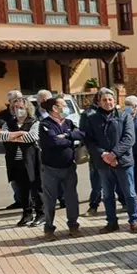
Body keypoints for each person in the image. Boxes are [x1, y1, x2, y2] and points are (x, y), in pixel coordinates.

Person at [82, 88, 137, 234]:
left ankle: (134, 221)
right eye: (104, 100)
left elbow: (129, 139)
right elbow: (90, 141)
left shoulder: (124, 116)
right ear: (99, 102)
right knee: (107, 195)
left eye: (110, 99)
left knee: (130, 193)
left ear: (115, 101)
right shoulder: (92, 119)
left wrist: (114, 155)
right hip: (103, 164)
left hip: (123, 162)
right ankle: (112, 222)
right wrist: (104, 155)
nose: (108, 102)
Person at [38, 95, 84, 240]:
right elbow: (53, 142)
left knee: (71, 198)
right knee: (50, 200)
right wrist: (70, 141)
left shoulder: (69, 122)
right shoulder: (45, 124)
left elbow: (81, 134)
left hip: (69, 167)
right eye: (64, 106)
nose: (66, 108)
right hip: (50, 169)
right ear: (54, 108)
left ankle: (73, 226)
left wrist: (67, 135)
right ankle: (49, 229)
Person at [0, 96, 45, 227]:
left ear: (27, 108)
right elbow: (2, 136)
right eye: (15, 107)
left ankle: (41, 214)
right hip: (15, 161)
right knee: (22, 190)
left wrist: (12, 137)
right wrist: (21, 133)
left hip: (32, 161)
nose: (17, 110)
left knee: (36, 188)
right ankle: (27, 214)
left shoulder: (34, 122)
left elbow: (31, 137)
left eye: (20, 107)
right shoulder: (8, 123)